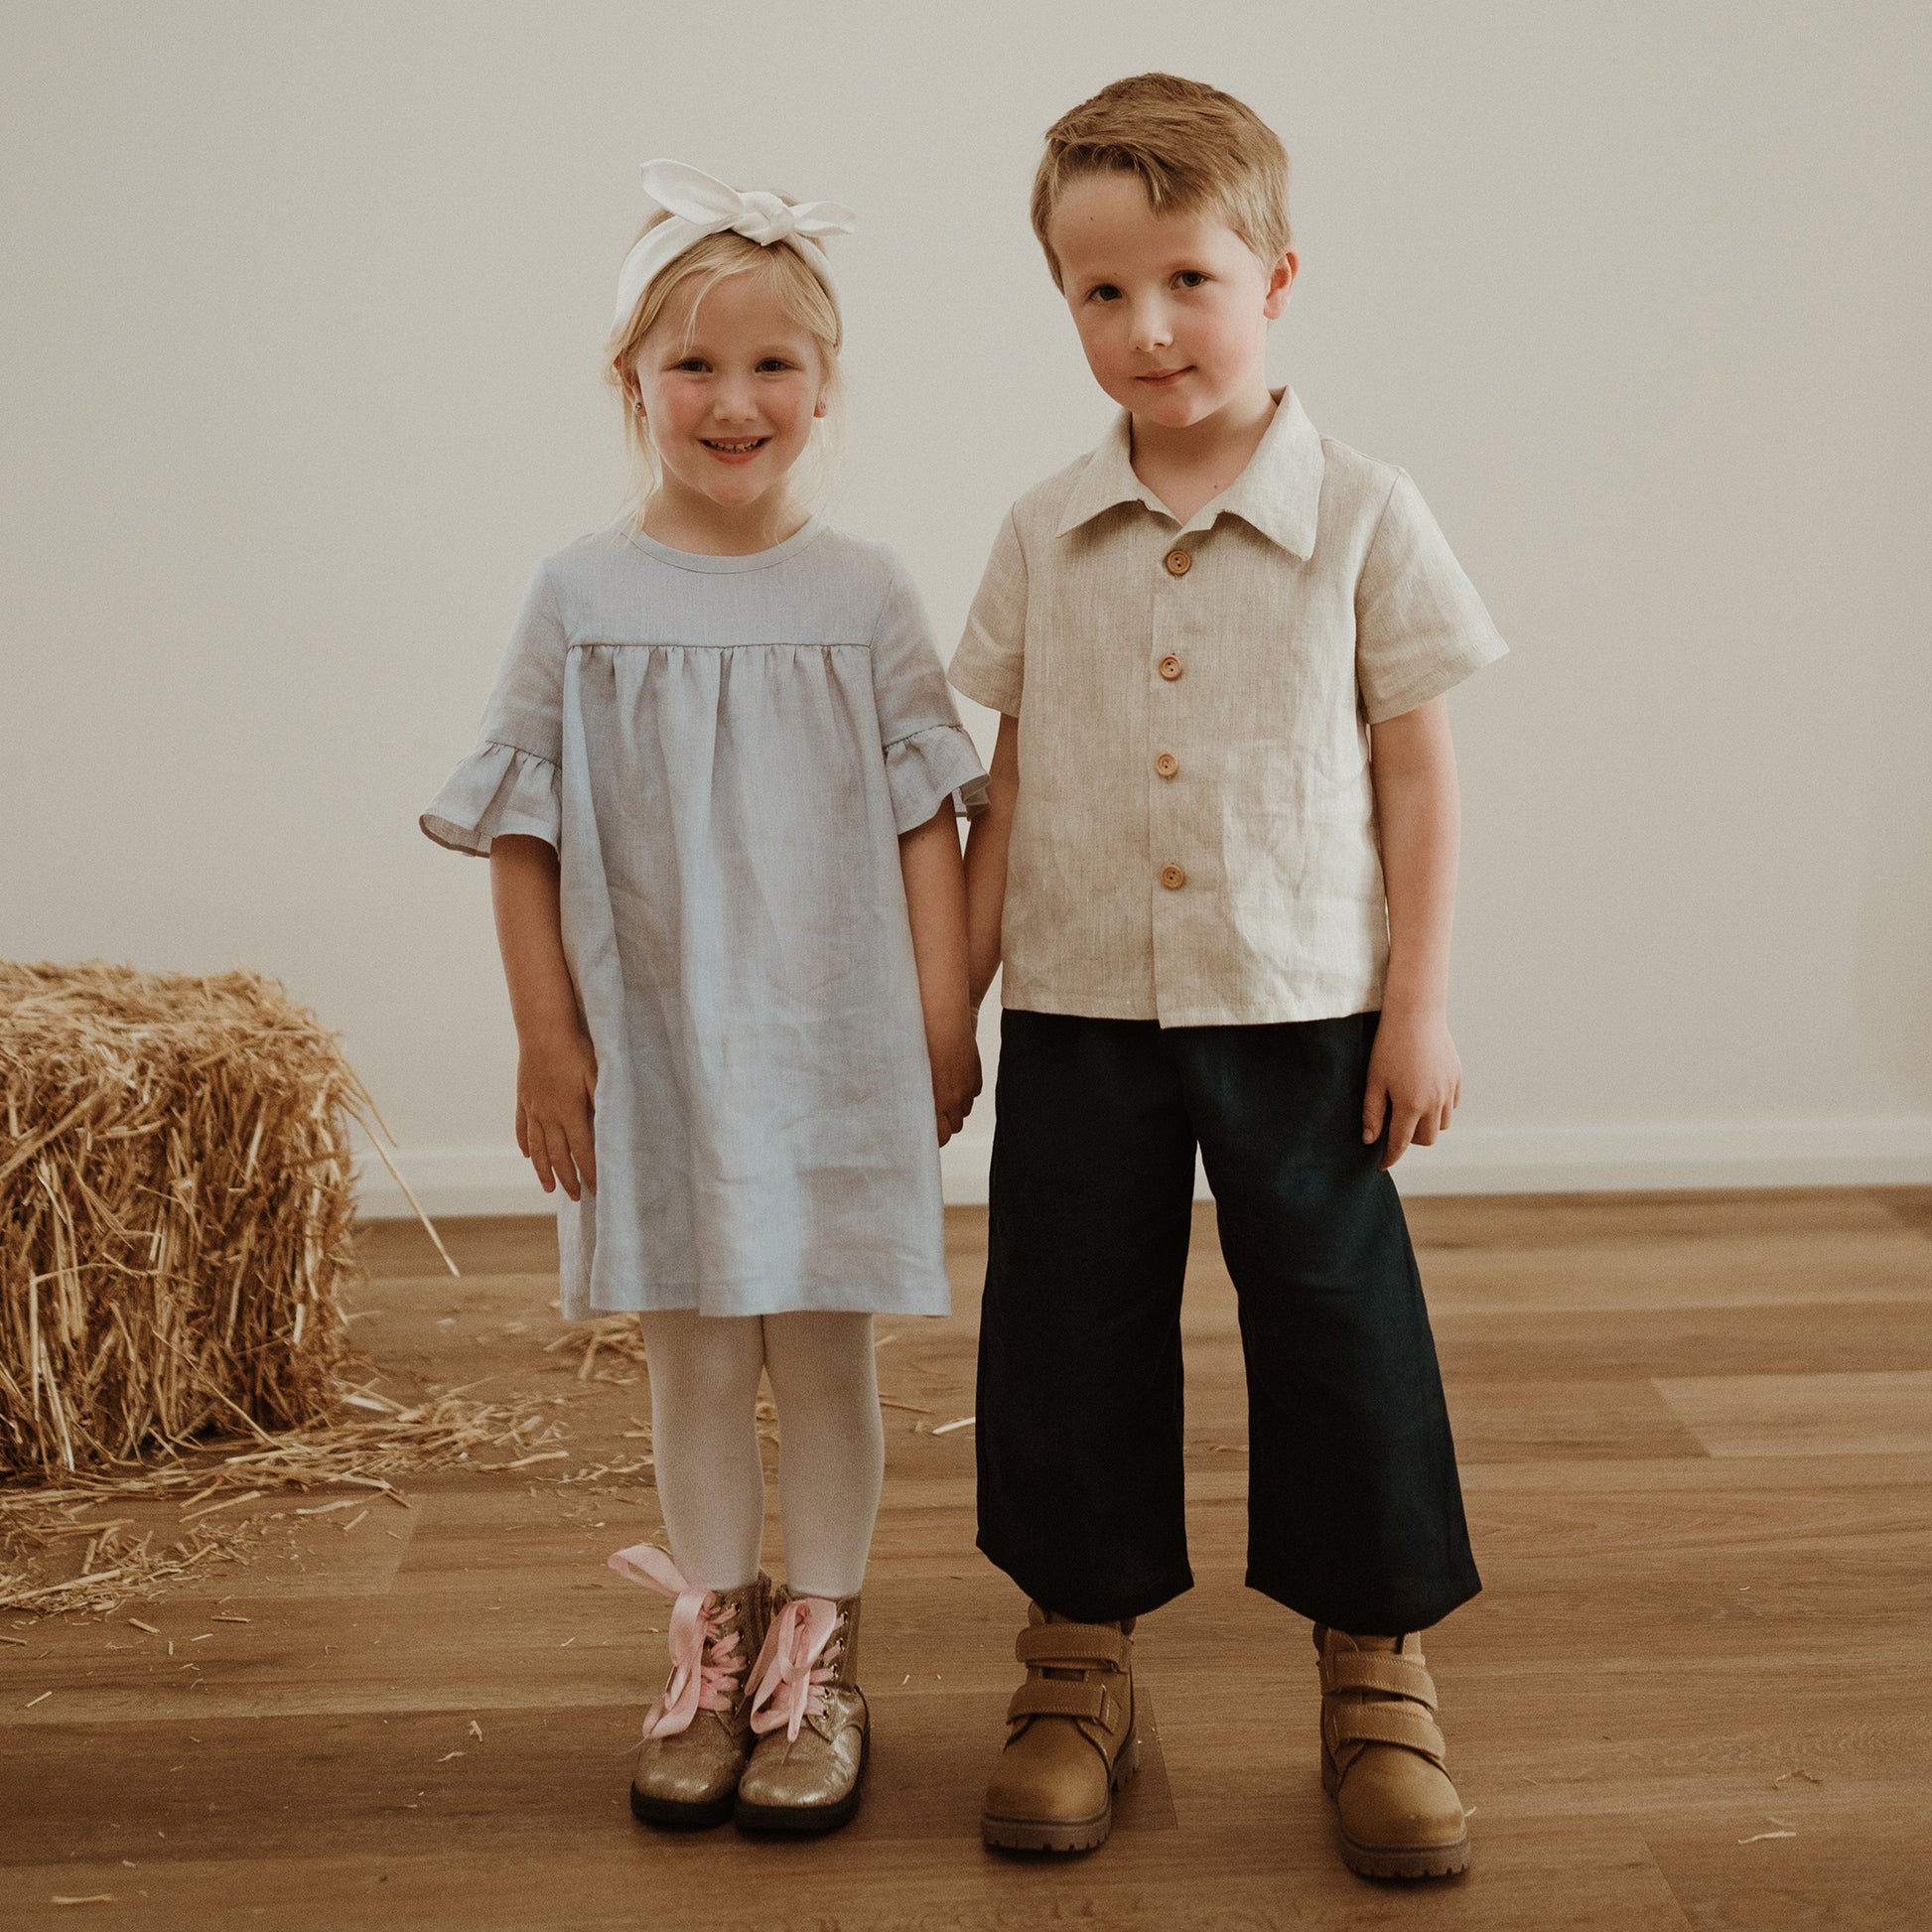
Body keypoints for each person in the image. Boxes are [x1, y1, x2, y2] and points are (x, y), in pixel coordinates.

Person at [951, 75, 1506, 1878]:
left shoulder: (1361, 510)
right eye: (1098, 293)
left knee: (1340, 1326)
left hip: (1306, 1003)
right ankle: (1073, 1660)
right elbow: (1008, 782)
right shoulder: (1043, 528)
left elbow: (1414, 769)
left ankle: (1376, 1667)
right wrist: (946, 1004)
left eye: (1184, 277)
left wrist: (1418, 998)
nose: (1146, 326)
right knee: (1065, 1320)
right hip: (1083, 1004)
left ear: (1275, 273)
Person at [420, 160, 984, 1836]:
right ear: (630, 382)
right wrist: (546, 1037)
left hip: (830, 1037)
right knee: (687, 1352)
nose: (734, 403)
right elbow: (518, 827)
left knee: (822, 1350)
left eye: (773, 368)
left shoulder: (865, 590)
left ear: (824, 386)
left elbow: (925, 822)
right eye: (693, 366)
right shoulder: (578, 597)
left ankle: (823, 1654)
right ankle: (715, 1642)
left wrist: (943, 1022)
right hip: (658, 1037)